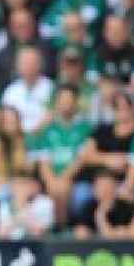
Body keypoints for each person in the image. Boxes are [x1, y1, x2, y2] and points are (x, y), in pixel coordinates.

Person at [36, 84, 92, 225]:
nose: (66, 104)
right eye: (62, 100)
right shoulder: (48, 129)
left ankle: (62, 228)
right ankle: (60, 228)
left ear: (76, 102)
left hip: (77, 180)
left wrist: (63, 179)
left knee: (70, 192)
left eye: (69, 100)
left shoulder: (85, 128)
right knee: (55, 190)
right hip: (51, 181)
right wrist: (51, 181)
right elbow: (44, 162)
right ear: (56, 102)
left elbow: (81, 159)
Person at [1, 46, 54, 134]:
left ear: (40, 64)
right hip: (17, 137)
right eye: (24, 62)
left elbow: (53, 115)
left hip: (45, 136)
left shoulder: (51, 88)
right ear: (17, 65)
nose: (28, 66)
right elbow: (6, 119)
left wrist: (35, 132)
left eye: (32, 62)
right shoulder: (10, 91)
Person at [72, 170, 134, 239]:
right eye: (100, 186)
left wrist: (101, 215)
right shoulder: (88, 206)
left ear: (115, 188)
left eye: (108, 186)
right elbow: (80, 232)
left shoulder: (125, 207)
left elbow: (118, 237)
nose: (104, 190)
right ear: (94, 189)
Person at [0, 174, 55, 239]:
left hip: (37, 244)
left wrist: (21, 217)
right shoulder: (4, 205)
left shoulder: (44, 202)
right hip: (10, 244)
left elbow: (40, 231)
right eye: (17, 185)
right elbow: (0, 233)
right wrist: (19, 218)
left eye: (24, 184)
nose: (21, 188)